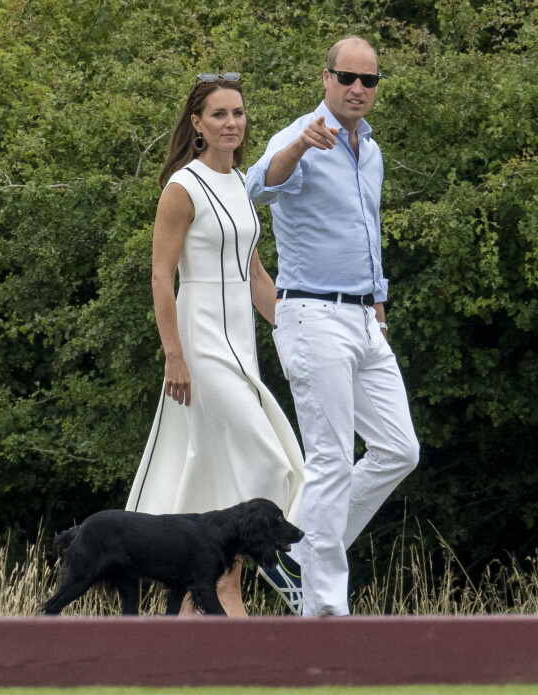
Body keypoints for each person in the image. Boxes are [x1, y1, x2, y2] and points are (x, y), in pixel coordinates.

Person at [246, 37, 419, 617]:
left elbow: (368, 230)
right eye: (347, 77)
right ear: (325, 78)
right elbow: (258, 185)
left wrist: (379, 303)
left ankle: (295, 550)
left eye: (368, 80)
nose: (357, 89)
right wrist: (300, 145)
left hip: (365, 319)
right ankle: (323, 614)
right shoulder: (302, 135)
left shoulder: (370, 150)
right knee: (331, 461)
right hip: (312, 315)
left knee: (400, 449)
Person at [126, 73, 304, 617]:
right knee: (270, 459)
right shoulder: (183, 186)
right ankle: (275, 564)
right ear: (197, 124)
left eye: (239, 113)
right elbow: (161, 277)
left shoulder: (242, 186)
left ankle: (219, 585)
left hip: (242, 347)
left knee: (216, 472)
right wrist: (173, 354)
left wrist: (295, 332)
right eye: (220, 114)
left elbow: (254, 275)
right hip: (199, 345)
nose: (232, 123)